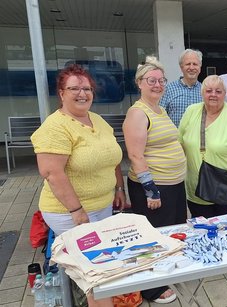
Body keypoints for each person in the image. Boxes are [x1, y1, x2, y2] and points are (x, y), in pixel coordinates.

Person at [31, 64, 125, 307]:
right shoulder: (55, 127)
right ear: (61, 93)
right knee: (97, 271)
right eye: (74, 88)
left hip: (101, 207)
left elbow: (112, 157)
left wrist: (119, 188)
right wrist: (77, 211)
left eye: (87, 88)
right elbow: (52, 173)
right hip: (70, 214)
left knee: (101, 266)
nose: (82, 93)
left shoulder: (98, 120)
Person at [122, 55, 185, 304]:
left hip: (173, 185)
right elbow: (136, 155)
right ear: (140, 82)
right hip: (155, 188)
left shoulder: (159, 109)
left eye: (161, 80)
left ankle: (163, 274)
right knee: (153, 237)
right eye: (152, 80)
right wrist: (152, 191)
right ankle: (151, 289)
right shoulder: (138, 113)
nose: (157, 84)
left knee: (169, 232)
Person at [179, 75, 227, 218]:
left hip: (226, 186)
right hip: (196, 185)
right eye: (209, 91)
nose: (213, 94)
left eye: (218, 91)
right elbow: (180, 141)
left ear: (224, 94)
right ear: (202, 93)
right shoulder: (191, 111)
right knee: (202, 230)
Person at [160, 49, 203, 126]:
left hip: (199, 137)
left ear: (200, 67)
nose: (191, 67)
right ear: (181, 67)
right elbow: (160, 117)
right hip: (175, 137)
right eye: (188, 64)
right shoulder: (168, 90)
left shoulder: (205, 91)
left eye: (195, 64)